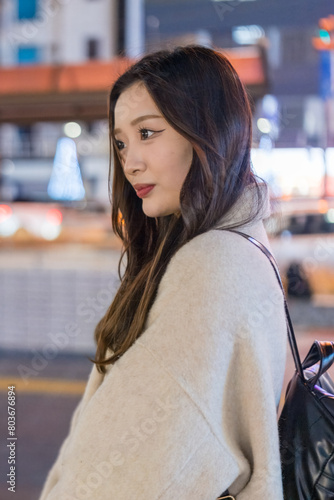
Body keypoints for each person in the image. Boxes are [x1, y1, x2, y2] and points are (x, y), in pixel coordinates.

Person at [39, 45, 287, 500]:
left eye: (147, 133)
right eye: (120, 142)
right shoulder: (243, 250)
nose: (130, 162)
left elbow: (139, 470)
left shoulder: (210, 266)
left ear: (206, 133)